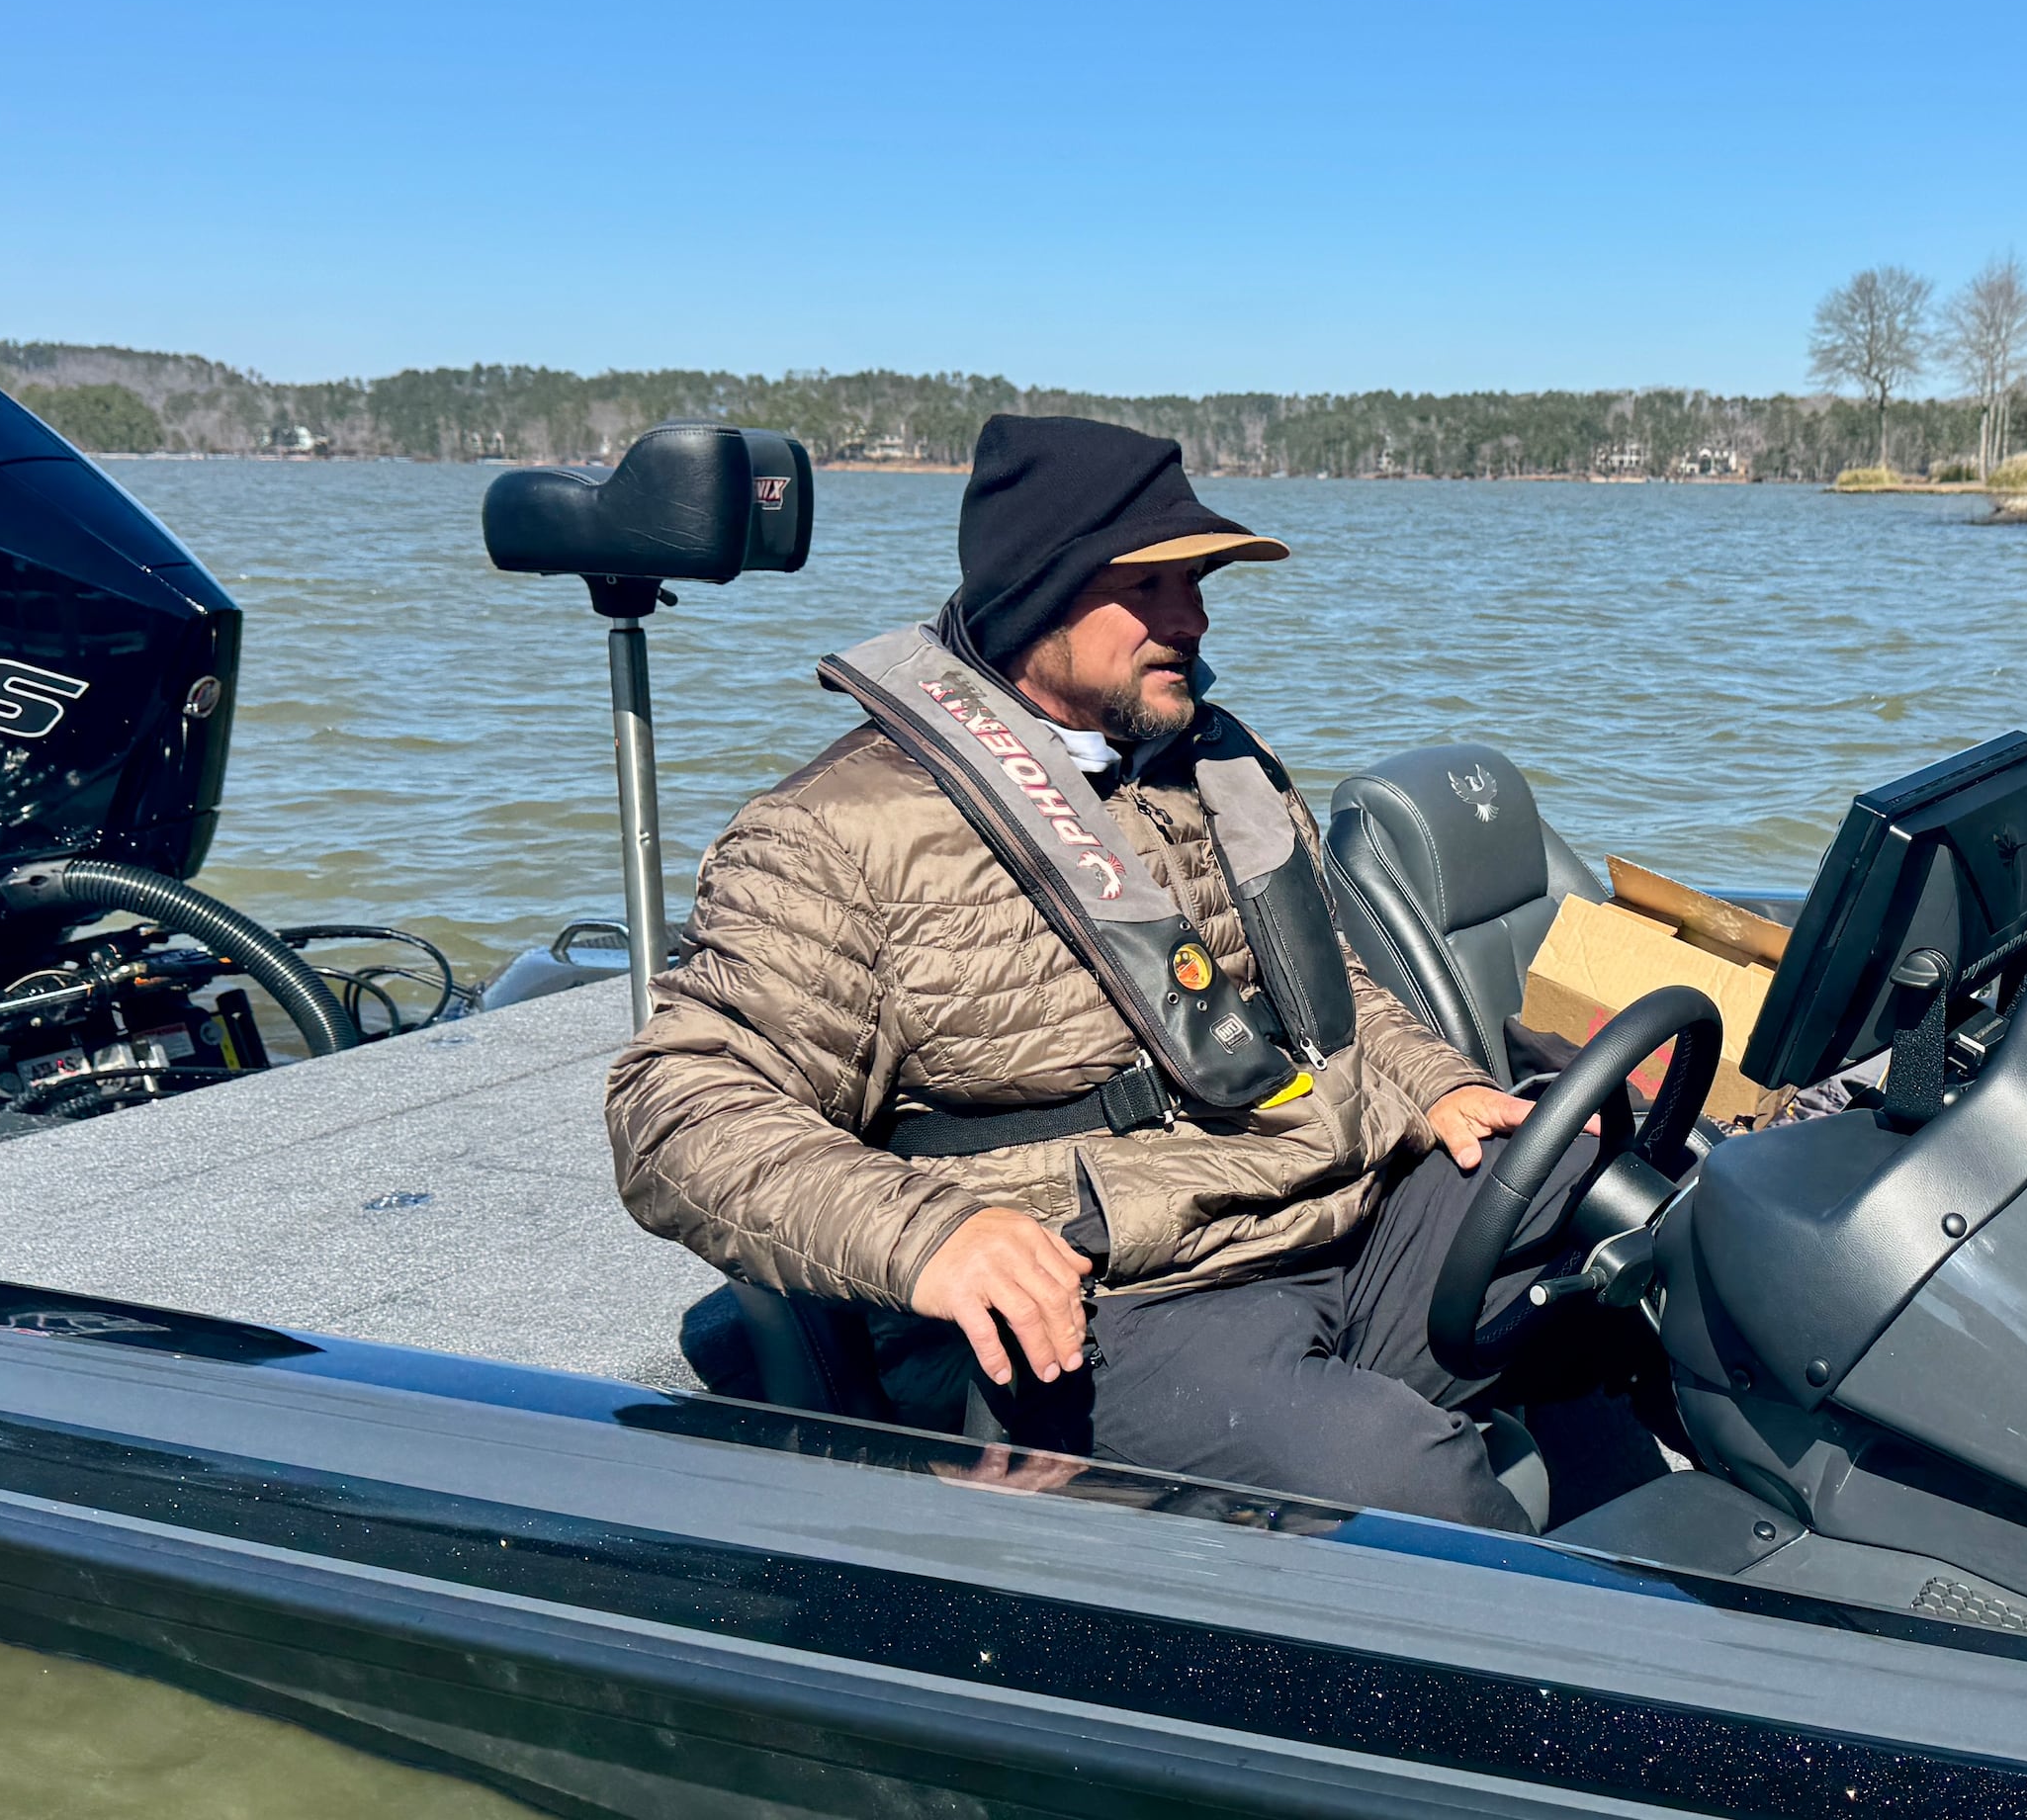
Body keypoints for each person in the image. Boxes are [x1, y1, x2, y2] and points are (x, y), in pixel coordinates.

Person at [606, 414, 1573, 1529]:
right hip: (1117, 1302)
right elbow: (675, 1111)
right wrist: (934, 1237)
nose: (1193, 619)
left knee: (1628, 1211)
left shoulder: (1211, 761)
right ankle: (1599, 1690)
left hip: (1321, 1200)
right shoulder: (834, 835)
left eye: (1198, 582)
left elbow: (1329, 988)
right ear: (1037, 589)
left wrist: (1438, 1085)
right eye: (1149, 589)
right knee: (1389, 1478)